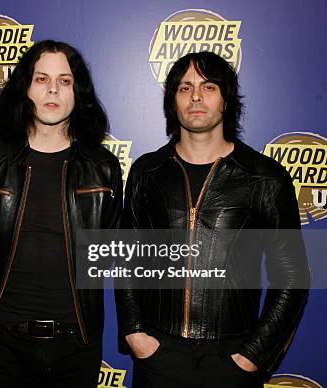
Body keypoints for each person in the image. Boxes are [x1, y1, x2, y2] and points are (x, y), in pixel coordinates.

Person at [115, 51, 310, 387]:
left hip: (233, 358)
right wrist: (135, 334)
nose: (195, 96)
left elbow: (292, 276)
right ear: (172, 102)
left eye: (208, 87)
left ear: (226, 99)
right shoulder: (147, 172)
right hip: (159, 356)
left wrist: (253, 355)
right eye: (184, 87)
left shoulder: (265, 178)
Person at [0, 40, 123, 387]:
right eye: (41, 79)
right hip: (2, 345)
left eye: (65, 80)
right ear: (24, 87)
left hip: (76, 345)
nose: (53, 89)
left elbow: (110, 251)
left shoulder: (103, 168)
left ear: (78, 92)